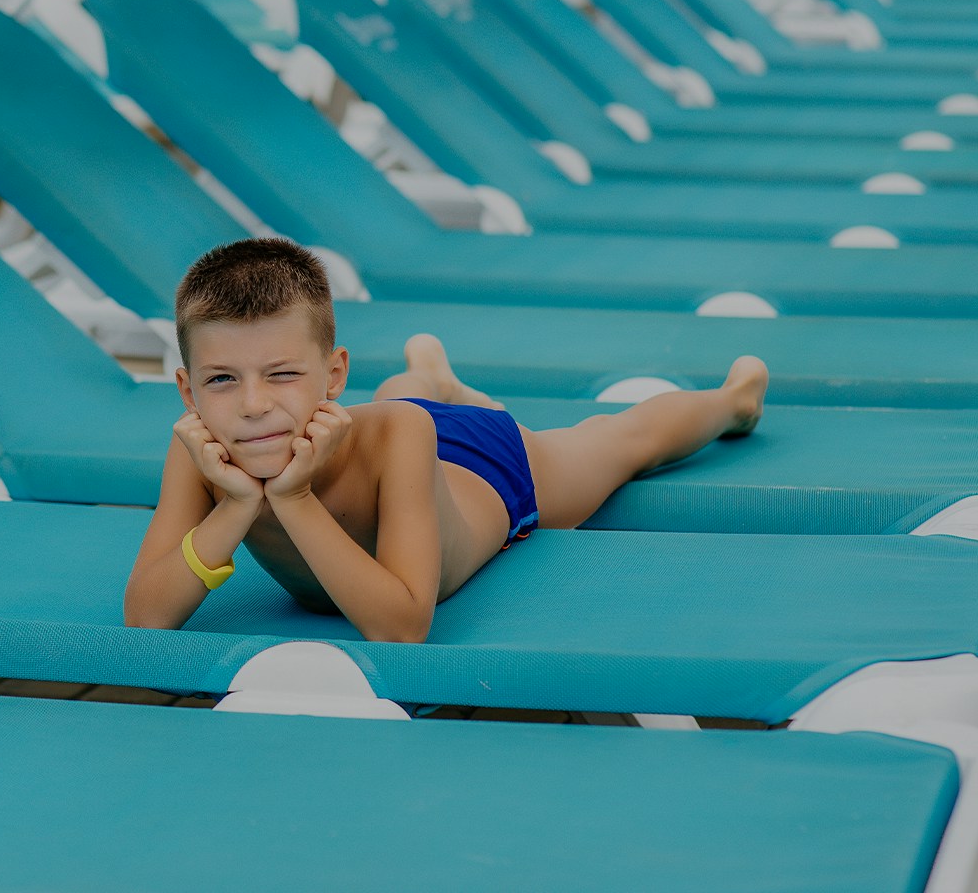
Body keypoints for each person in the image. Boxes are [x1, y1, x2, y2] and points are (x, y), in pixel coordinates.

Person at [124, 238, 767, 643]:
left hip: (486, 468)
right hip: (393, 429)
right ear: (187, 390)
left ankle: (732, 399)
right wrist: (238, 505)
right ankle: (430, 372)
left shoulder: (401, 430)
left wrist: (291, 500)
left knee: (623, 439)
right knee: (407, 400)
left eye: (284, 374)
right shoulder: (200, 449)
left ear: (334, 375)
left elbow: (402, 626)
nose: (255, 404)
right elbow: (146, 615)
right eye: (222, 380)